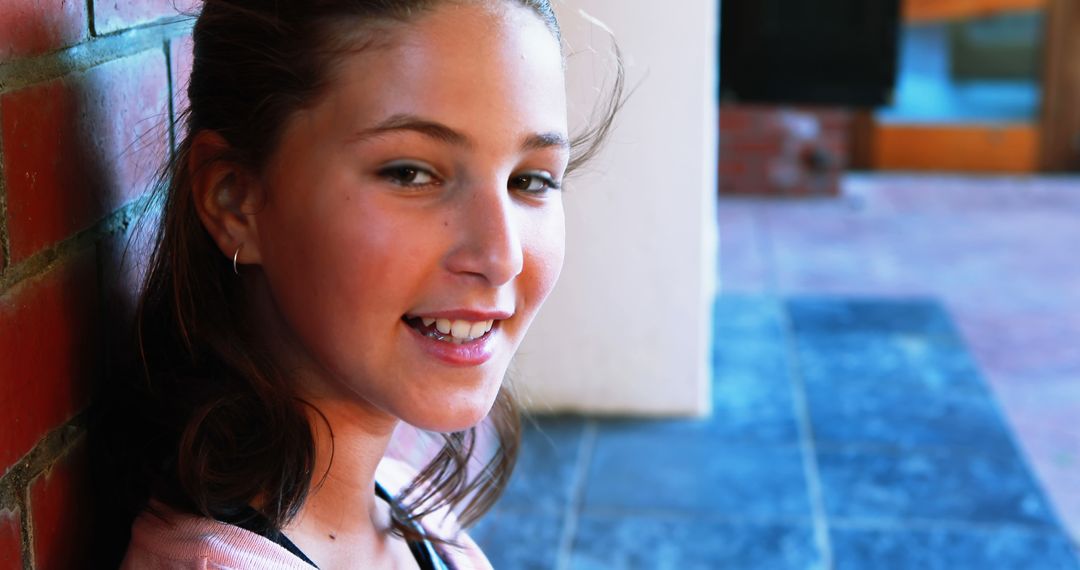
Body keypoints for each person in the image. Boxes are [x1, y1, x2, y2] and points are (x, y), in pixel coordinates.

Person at [94, 0, 622, 568]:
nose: (501, 257)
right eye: (411, 172)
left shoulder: (403, 506)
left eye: (531, 179)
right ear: (234, 200)